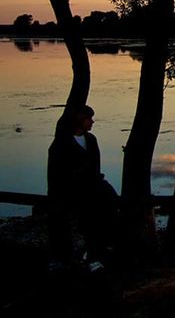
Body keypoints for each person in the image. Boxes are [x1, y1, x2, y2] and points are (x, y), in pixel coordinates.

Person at [47, 105, 119, 270]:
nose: (92, 122)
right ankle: (74, 257)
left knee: (109, 204)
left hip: (92, 186)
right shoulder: (61, 144)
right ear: (79, 121)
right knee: (80, 222)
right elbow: (57, 172)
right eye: (89, 119)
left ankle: (100, 250)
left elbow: (96, 166)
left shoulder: (91, 140)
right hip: (72, 190)